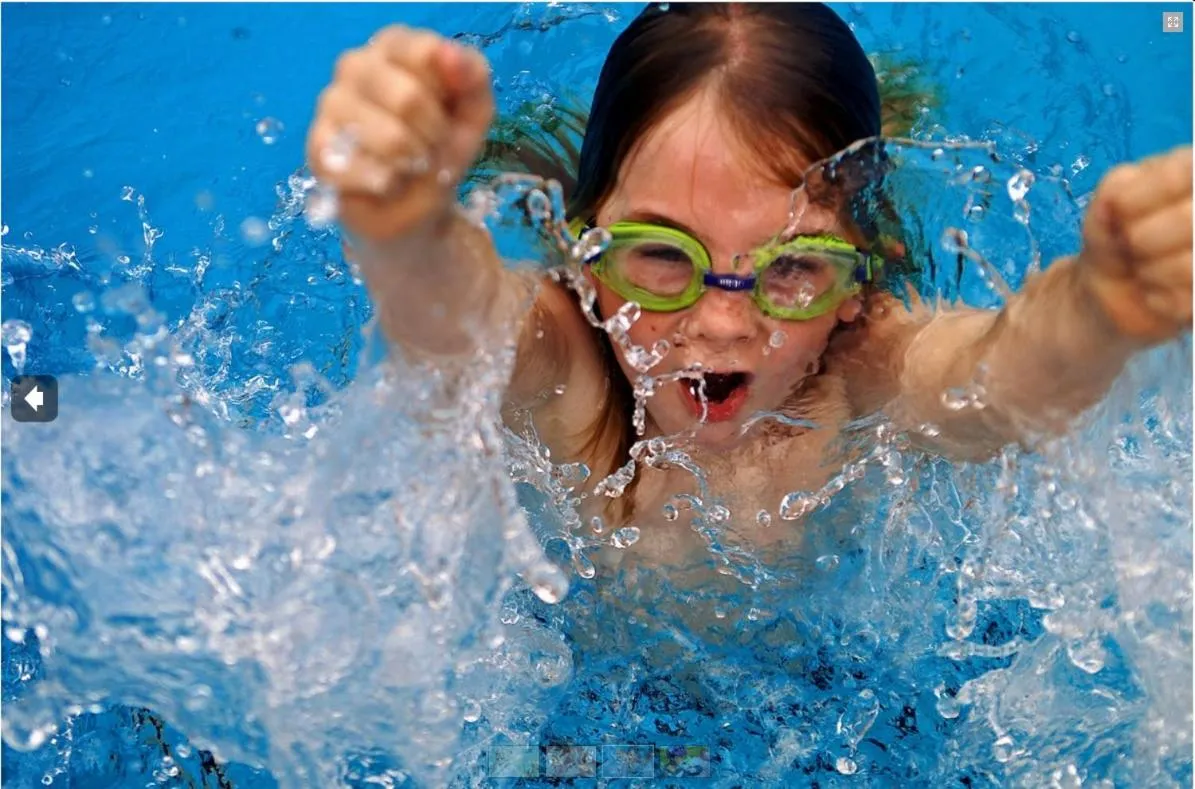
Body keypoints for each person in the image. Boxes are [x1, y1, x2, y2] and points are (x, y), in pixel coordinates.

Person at [306, 4, 1191, 569]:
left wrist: (1096, 307)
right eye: (659, 256)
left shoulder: (862, 365)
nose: (723, 322)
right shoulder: (568, 361)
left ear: (856, 278)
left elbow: (993, 384)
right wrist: (403, 226)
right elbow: (457, 325)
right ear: (582, 249)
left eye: (793, 267)